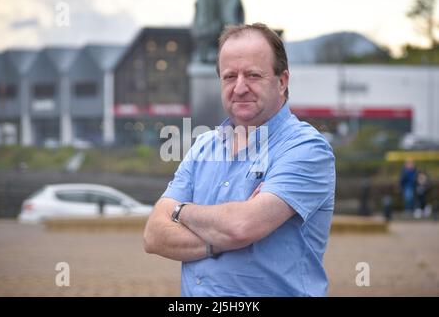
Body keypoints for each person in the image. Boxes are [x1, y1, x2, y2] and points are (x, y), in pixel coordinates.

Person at [144, 23, 336, 297]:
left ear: (282, 81)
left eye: (253, 75)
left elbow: (240, 227)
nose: (240, 87)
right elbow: (153, 236)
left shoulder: (306, 148)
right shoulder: (203, 146)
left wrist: (179, 212)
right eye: (229, 76)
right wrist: (220, 239)